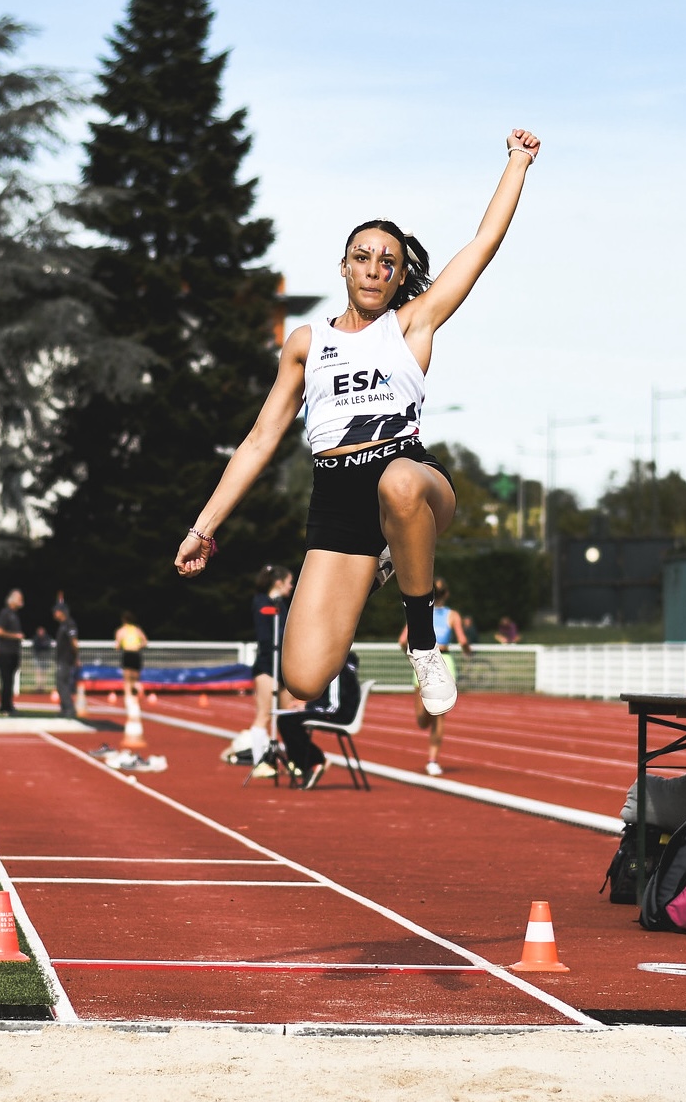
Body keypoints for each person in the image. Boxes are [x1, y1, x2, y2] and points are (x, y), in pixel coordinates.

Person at [174, 127, 541, 721]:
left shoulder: (412, 324)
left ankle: (422, 640)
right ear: (344, 266)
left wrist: (517, 163)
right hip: (339, 499)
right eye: (363, 258)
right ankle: (387, 558)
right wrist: (204, 526)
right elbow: (260, 439)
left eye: (388, 263)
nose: (374, 270)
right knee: (302, 678)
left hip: (411, 477)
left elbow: (483, 243)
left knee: (397, 484)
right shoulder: (305, 342)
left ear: (400, 277)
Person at [398, 579, 470, 776]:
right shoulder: (452, 615)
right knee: (433, 717)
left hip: (423, 660)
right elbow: (462, 640)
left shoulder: (420, 612)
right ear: (446, 594)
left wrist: (411, 657)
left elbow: (403, 640)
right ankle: (432, 760)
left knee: (428, 718)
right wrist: (467, 650)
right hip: (445, 661)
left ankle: (432, 759)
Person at [277, 649, 361, 791]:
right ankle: (310, 762)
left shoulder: (336, 661)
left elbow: (334, 705)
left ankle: (313, 762)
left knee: (288, 721)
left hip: (338, 714)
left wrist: (307, 707)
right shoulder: (340, 658)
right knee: (287, 719)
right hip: (336, 710)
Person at [249, 564, 295, 774]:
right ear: (278, 582)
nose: (291, 587)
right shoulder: (261, 601)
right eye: (289, 582)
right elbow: (266, 636)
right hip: (267, 664)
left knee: (287, 716)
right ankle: (260, 763)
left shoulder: (283, 604)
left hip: (284, 664)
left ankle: (294, 760)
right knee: (265, 714)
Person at [0, 590, 25, 716]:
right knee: (6, 680)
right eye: (20, 599)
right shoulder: (5, 613)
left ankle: (9, 705)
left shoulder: (14, 614)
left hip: (13, 653)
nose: (22, 602)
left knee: (10, 681)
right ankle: (4, 707)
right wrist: (15, 636)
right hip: (5, 653)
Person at [52, 602, 80, 718]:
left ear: (61, 612)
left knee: (62, 684)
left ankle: (69, 709)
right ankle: (64, 708)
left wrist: (76, 657)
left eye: (55, 612)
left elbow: (74, 641)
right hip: (62, 659)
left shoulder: (69, 624)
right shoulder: (63, 624)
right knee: (61, 684)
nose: (54, 614)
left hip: (66, 659)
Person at [114, 612, 149, 702]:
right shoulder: (137, 630)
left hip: (127, 654)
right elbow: (145, 642)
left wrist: (120, 646)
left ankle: (128, 697)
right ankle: (136, 695)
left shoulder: (121, 630)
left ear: (123, 620)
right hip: (136, 654)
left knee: (127, 678)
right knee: (135, 678)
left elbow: (117, 646)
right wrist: (138, 646)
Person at [31, 625, 55, 690]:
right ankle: (38, 686)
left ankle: (43, 687)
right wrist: (42, 645)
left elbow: (48, 645)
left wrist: (43, 645)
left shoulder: (47, 638)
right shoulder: (36, 638)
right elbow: (36, 646)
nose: (41, 632)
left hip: (45, 657)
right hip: (38, 657)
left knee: (44, 672)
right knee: (38, 672)